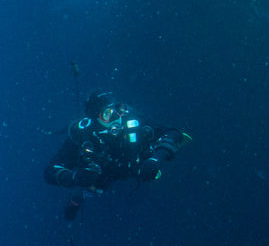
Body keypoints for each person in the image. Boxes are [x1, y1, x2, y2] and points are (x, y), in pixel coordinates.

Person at [44, 89, 191, 220]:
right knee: (90, 190)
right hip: (101, 177)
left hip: (135, 167)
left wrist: (156, 158)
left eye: (117, 110)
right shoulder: (84, 136)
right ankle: (77, 200)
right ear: (95, 119)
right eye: (107, 114)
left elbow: (173, 133)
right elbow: (50, 171)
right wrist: (74, 177)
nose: (116, 118)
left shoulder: (133, 121)